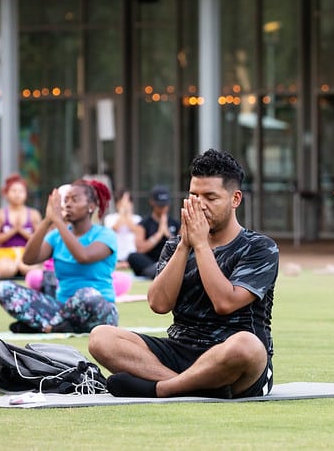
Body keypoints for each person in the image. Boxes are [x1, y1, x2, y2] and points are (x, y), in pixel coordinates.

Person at [88, 149, 279, 399]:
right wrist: (184, 245)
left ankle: (165, 388)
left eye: (210, 197)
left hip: (231, 354)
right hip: (179, 350)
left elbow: (225, 303)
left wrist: (200, 245)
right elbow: (158, 304)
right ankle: (194, 385)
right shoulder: (177, 245)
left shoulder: (260, 247)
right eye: (194, 196)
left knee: (248, 346)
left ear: (235, 199)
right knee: (100, 337)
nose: (200, 205)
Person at [0, 178, 118, 333]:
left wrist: (58, 222)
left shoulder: (105, 235)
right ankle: (58, 326)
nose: (68, 204)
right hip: (61, 308)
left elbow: (83, 256)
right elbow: (28, 259)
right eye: (65, 200)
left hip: (98, 311)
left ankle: (47, 325)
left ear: (91, 206)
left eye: (75, 199)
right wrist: (47, 221)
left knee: (88, 294)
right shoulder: (56, 237)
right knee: (4, 288)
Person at [0, 174, 43, 279]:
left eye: (21, 191)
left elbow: (41, 240)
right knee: (7, 270)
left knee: (30, 269)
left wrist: (22, 231)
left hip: (27, 254)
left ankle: (20, 267)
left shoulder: (34, 214)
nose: (17, 194)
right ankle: (16, 268)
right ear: (6, 193)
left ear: (26, 194)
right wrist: (12, 231)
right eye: (13, 191)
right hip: (5, 254)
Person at [127, 185, 180, 279]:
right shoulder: (143, 224)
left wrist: (168, 234)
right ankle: (158, 272)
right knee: (133, 257)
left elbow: (181, 246)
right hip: (150, 261)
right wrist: (159, 234)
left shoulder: (176, 224)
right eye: (160, 205)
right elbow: (140, 248)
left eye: (165, 205)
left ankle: (161, 271)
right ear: (152, 202)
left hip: (171, 261)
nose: (163, 208)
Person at [103, 189, 142, 269]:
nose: (126, 205)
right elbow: (115, 228)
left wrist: (127, 213)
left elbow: (135, 230)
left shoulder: (137, 219)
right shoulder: (110, 218)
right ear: (117, 204)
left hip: (133, 257)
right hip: (116, 258)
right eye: (123, 202)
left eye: (128, 202)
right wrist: (122, 212)